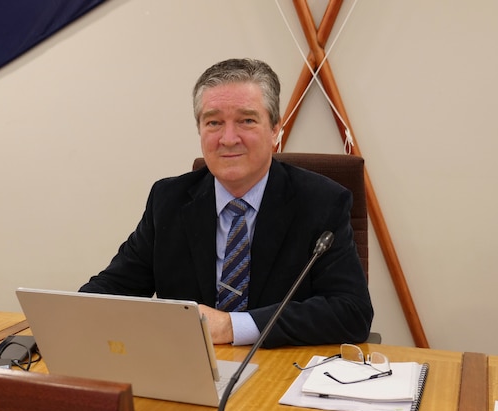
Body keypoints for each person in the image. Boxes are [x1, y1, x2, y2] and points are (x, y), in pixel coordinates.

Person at [80, 58, 373, 348]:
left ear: (275, 130)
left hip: (281, 374)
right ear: (200, 130)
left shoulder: (322, 202)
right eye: (214, 123)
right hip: (191, 372)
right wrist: (67, 314)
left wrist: (233, 327)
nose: (228, 138)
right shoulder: (168, 200)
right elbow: (115, 287)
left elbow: (351, 312)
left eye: (246, 120)